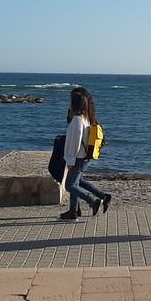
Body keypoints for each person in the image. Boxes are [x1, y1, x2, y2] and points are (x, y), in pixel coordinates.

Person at [59, 87, 112, 221]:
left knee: (69, 185)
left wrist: (70, 160)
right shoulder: (86, 118)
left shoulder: (77, 120)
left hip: (78, 157)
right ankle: (74, 210)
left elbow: (75, 142)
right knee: (77, 181)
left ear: (74, 104)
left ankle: (92, 201)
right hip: (84, 157)